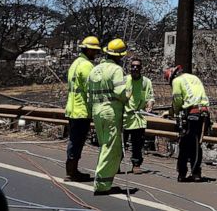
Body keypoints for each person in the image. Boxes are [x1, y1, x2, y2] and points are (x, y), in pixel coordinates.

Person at [86, 38, 131, 195]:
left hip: (96, 110)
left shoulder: (95, 69)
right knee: (111, 147)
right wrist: (128, 94)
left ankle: (102, 180)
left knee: (104, 145)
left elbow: (88, 94)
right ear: (119, 56)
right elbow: (120, 92)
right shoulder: (116, 70)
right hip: (111, 111)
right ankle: (102, 184)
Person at [164, 65, 211, 182]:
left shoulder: (176, 81)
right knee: (196, 144)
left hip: (192, 114)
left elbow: (177, 100)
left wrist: (174, 112)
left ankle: (182, 173)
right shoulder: (194, 78)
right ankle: (196, 173)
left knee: (184, 144)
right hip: (204, 113)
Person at [64, 36, 101, 181]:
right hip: (81, 110)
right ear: (89, 49)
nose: (96, 53)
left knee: (74, 140)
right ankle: (72, 172)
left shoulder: (75, 63)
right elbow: (90, 88)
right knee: (77, 141)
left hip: (72, 108)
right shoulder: (86, 66)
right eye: (95, 50)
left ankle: (72, 170)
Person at [123, 57, 154, 174]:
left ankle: (136, 164)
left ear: (141, 68)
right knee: (120, 143)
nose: (135, 68)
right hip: (125, 117)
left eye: (137, 66)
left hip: (138, 117)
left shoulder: (146, 82)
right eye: (133, 66)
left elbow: (150, 97)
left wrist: (149, 106)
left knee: (137, 144)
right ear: (130, 68)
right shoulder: (124, 80)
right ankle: (116, 165)